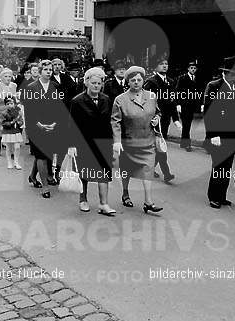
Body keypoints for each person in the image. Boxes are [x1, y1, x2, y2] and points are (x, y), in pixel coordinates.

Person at [111, 65, 163, 214]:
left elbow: (158, 112)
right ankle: (125, 193)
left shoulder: (152, 96)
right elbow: (115, 122)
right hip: (129, 141)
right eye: (132, 80)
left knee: (148, 170)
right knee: (126, 169)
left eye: (139, 79)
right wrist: (117, 141)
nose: (136, 82)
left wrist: (156, 119)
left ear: (143, 80)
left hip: (148, 140)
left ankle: (148, 201)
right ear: (128, 82)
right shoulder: (120, 100)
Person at [203, 56, 235, 209]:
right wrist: (212, 134)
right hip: (217, 134)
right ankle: (213, 196)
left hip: (231, 134)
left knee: (227, 166)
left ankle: (222, 196)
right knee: (218, 165)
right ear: (226, 72)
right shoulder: (214, 86)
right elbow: (209, 113)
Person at [67, 67, 115, 215]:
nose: (96, 86)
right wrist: (72, 144)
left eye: (99, 83)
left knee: (104, 173)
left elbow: (110, 122)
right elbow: (71, 124)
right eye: (93, 83)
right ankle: (83, 199)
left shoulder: (106, 99)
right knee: (84, 173)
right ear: (87, 83)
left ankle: (103, 204)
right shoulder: (77, 101)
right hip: (84, 141)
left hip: (103, 141)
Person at [25, 60, 66, 198]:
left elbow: (60, 108)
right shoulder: (31, 87)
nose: (49, 72)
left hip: (52, 125)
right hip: (36, 126)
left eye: (50, 69)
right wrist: (38, 124)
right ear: (40, 71)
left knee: (46, 153)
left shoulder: (56, 86)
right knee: (41, 155)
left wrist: (55, 123)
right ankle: (45, 187)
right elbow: (29, 110)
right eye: (46, 70)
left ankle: (32, 176)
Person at [144, 57, 181, 183]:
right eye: (161, 64)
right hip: (153, 119)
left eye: (166, 64)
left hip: (165, 119)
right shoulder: (151, 82)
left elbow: (172, 101)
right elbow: (147, 102)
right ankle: (166, 173)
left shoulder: (171, 81)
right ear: (155, 67)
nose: (164, 66)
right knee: (159, 146)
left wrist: (176, 119)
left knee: (158, 146)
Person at [176, 60, 201, 151]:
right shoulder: (182, 78)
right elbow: (178, 91)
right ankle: (187, 144)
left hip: (192, 105)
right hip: (184, 104)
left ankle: (183, 142)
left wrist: (200, 104)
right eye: (191, 68)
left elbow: (198, 92)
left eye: (194, 68)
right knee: (186, 124)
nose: (193, 69)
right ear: (188, 69)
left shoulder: (196, 78)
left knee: (188, 124)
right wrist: (178, 104)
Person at [0, 97, 25, 169]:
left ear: (14, 104)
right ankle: (9, 162)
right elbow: (3, 123)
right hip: (8, 131)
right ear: (5, 105)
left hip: (16, 131)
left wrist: (19, 121)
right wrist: (12, 122)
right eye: (8, 103)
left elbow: (21, 122)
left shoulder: (17, 111)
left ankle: (16, 162)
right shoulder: (4, 113)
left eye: (11, 103)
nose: (10, 105)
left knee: (17, 147)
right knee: (9, 148)